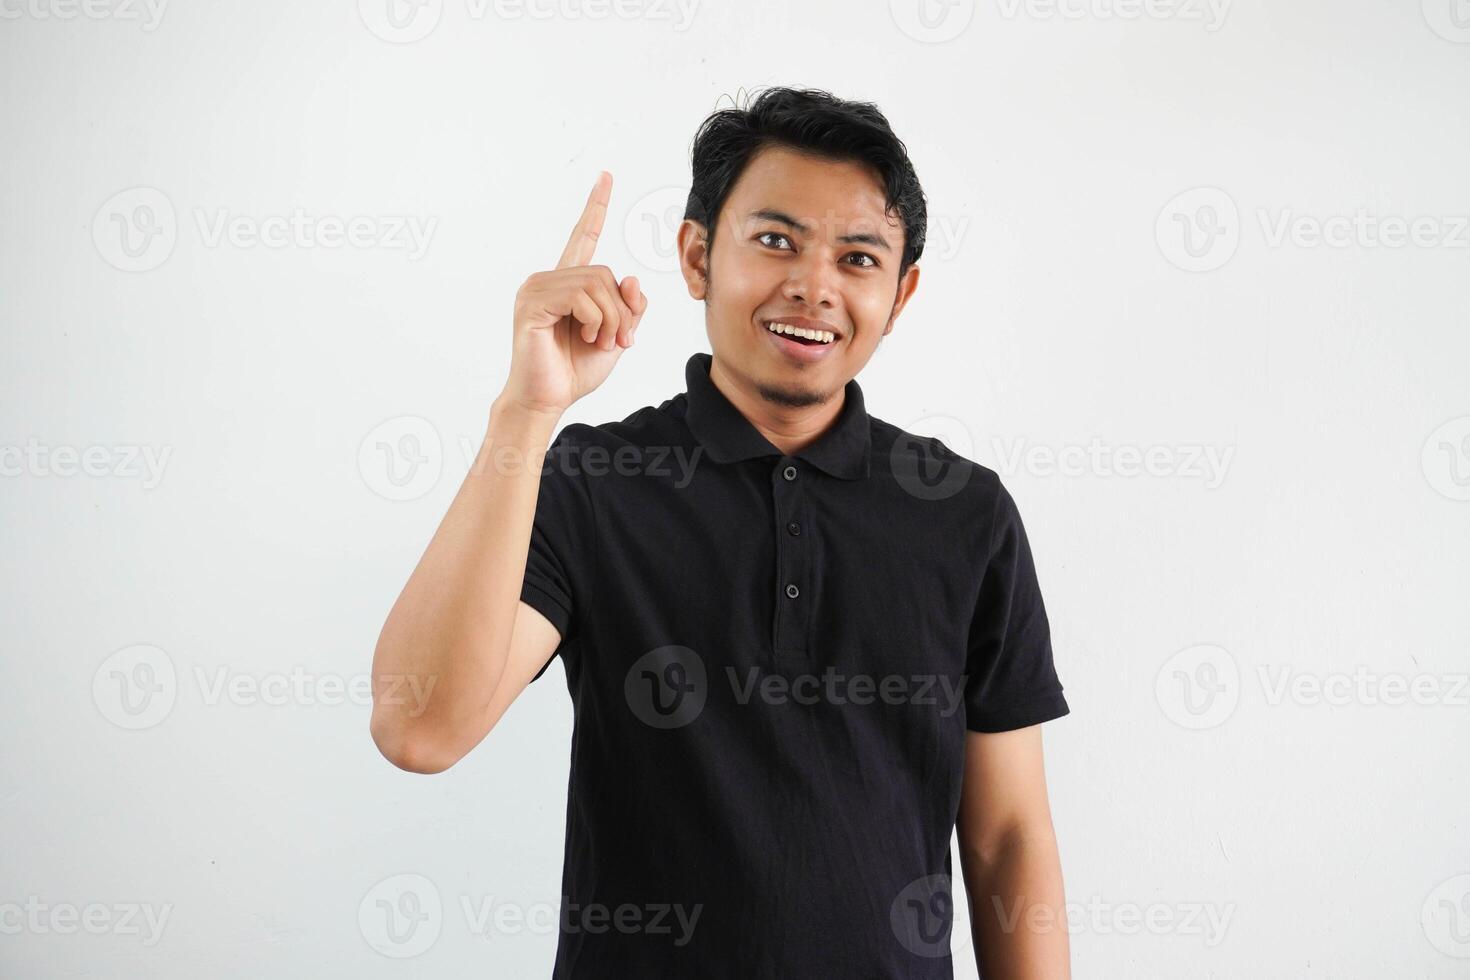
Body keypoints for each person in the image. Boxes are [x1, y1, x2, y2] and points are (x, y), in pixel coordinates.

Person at [370, 86, 1072, 979]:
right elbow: (418, 729)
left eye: (858, 258)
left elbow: (1009, 839)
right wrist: (526, 412)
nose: (814, 286)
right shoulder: (595, 485)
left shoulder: (966, 515)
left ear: (900, 295)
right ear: (697, 255)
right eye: (775, 240)